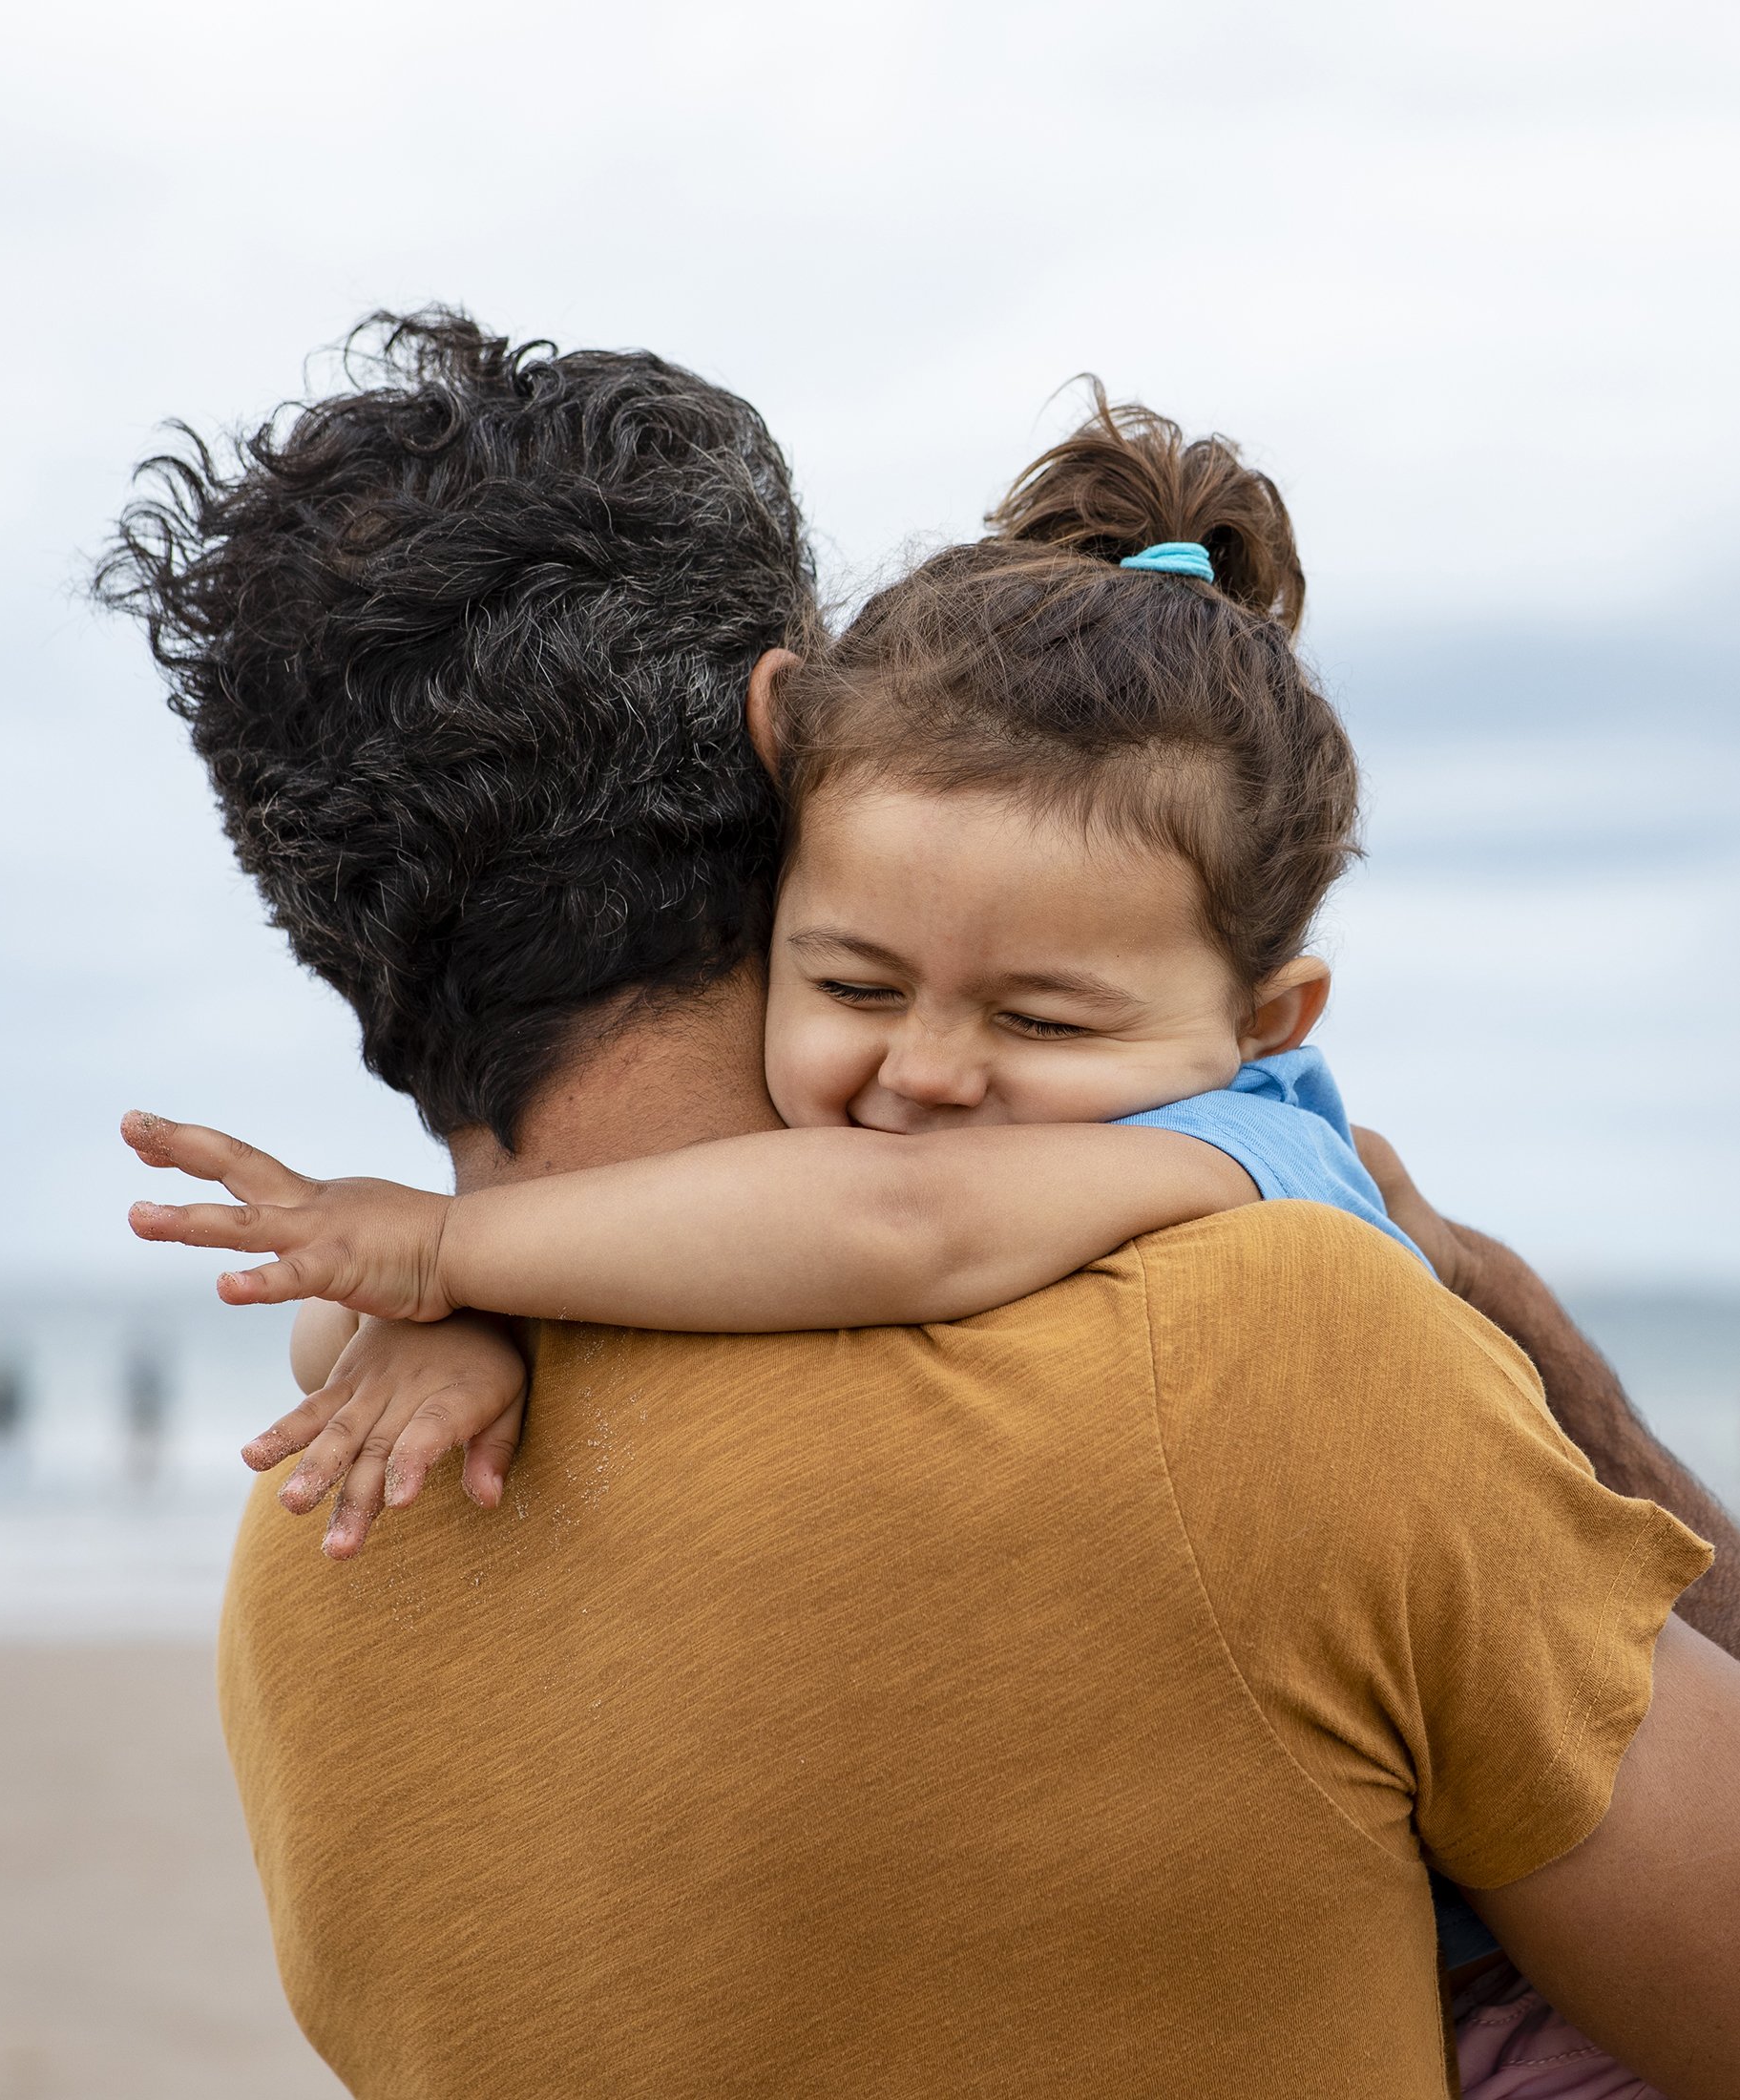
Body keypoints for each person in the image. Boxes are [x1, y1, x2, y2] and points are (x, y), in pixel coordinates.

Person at [102, 313, 1740, 2099]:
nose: (938, 1074)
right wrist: (1496, 1313)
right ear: (786, 737)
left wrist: (444, 1286)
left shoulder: (314, 1569)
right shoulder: (1267, 1348)